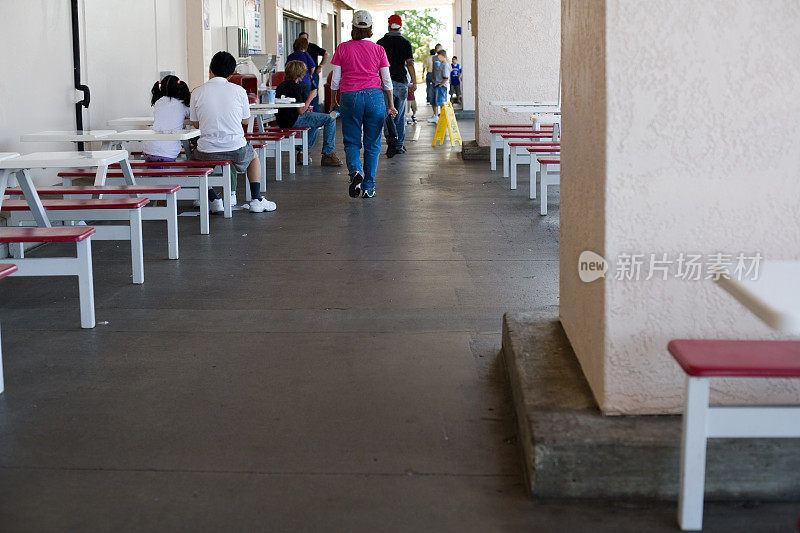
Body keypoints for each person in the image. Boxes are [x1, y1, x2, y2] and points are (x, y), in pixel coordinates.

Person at [190, 51, 275, 213]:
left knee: (192, 162)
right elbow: (245, 121)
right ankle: (256, 199)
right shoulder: (239, 91)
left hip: (207, 151)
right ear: (231, 74)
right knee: (253, 156)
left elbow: (196, 124)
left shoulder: (197, 92)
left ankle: (214, 199)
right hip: (235, 149)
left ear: (210, 69)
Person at [330, 10, 397, 199]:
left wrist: (335, 99)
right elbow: (387, 81)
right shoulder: (379, 50)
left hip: (350, 97)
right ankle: (368, 187)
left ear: (353, 27)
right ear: (371, 29)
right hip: (375, 97)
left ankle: (355, 171)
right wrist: (390, 104)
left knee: (351, 140)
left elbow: (335, 80)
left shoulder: (342, 48)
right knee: (373, 143)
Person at [275, 60, 343, 167]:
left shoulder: (281, 86)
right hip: (294, 119)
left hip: (282, 121)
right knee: (329, 119)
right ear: (299, 73)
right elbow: (301, 110)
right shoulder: (296, 87)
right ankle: (328, 154)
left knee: (315, 123)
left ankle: (302, 152)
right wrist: (311, 97)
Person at [376, 14, 417, 158]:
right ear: (401, 26)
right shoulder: (405, 43)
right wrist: (414, 81)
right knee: (399, 115)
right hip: (401, 83)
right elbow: (410, 63)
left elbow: (376, 65)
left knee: (388, 113)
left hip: (384, 84)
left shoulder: (380, 42)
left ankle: (390, 139)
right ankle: (399, 145)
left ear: (388, 25)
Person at [143, 74, 190, 163]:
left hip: (148, 150)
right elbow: (191, 116)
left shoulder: (158, 102)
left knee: (156, 170)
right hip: (168, 153)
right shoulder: (183, 105)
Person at [298, 31, 328, 112]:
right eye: (301, 39)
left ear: (308, 39)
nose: (303, 41)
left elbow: (326, 54)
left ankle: (316, 114)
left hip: (312, 75)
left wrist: (320, 66)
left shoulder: (312, 47)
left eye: (305, 39)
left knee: (314, 95)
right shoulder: (298, 49)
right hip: (300, 76)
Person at [286, 38, 316, 105]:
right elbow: (312, 66)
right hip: (305, 81)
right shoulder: (305, 54)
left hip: (292, 82)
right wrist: (310, 74)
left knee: (294, 101)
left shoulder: (290, 56)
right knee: (306, 102)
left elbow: (287, 68)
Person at [428, 49, 451, 123]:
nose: (438, 58)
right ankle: (436, 116)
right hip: (436, 84)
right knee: (434, 101)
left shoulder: (445, 65)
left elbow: (446, 77)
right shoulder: (440, 63)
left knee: (441, 102)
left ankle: (443, 117)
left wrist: (440, 85)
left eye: (439, 56)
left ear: (444, 56)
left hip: (440, 86)